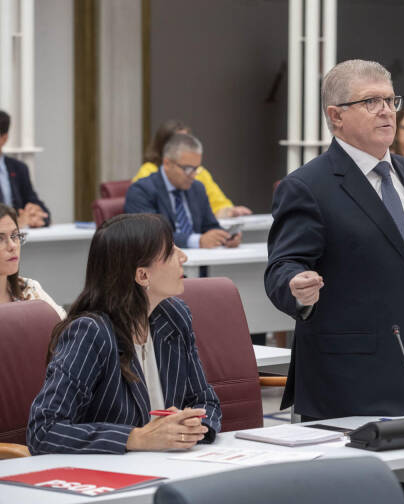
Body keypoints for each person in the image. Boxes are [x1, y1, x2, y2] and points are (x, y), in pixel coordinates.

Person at [265, 59, 404, 420]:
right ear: (336, 116)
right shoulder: (307, 186)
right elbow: (282, 268)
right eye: (371, 102)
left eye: (391, 101)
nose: (387, 111)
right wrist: (296, 284)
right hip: (348, 382)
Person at [27, 213, 222, 454]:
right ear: (142, 275)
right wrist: (136, 438)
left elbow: (206, 401)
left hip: (173, 465)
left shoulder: (174, 316)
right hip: (104, 478)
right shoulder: (90, 332)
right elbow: (43, 430)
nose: (184, 256)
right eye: (171, 253)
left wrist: (191, 425)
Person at [125, 133, 241, 249]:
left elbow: (209, 225)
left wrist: (226, 237)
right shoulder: (141, 191)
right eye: (187, 169)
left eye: (196, 169)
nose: (193, 175)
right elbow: (150, 237)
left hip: (199, 262)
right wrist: (197, 241)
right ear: (167, 163)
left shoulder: (197, 188)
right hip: (163, 263)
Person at [133, 119, 252, 218]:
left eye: (188, 141)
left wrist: (229, 212)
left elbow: (217, 205)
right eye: (179, 142)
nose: (192, 174)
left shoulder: (199, 173)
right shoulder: (147, 174)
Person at [0, 203, 64, 318]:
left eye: (15, 235)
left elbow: (65, 327)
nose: (13, 246)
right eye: (0, 239)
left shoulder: (29, 289)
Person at [0, 110, 50, 228]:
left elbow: (41, 209)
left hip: (19, 241)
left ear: (4, 138)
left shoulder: (18, 168)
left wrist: (35, 214)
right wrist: (17, 222)